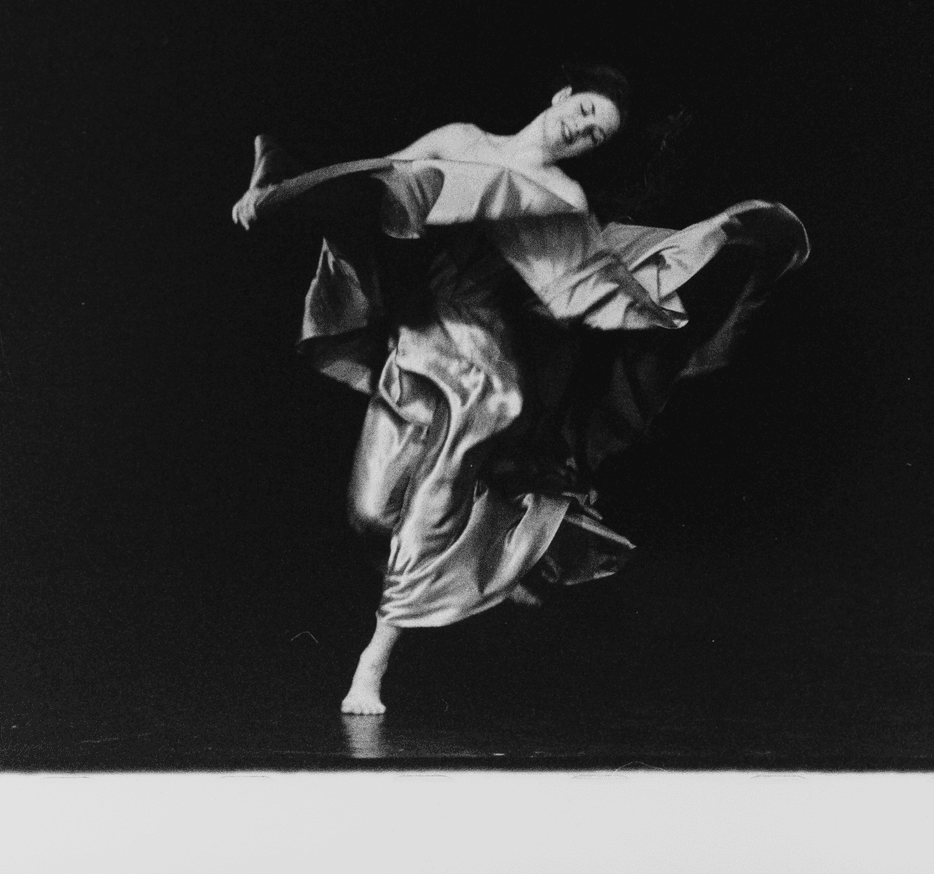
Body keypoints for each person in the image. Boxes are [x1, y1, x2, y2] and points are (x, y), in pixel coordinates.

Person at [232, 66, 809, 712]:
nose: (584, 128)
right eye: (586, 110)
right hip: (418, 340)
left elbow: (586, 287)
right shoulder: (462, 139)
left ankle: (373, 663)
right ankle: (496, 556)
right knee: (372, 512)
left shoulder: (562, 197)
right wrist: (285, 194)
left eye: (597, 133)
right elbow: (381, 184)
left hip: (486, 366)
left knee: (434, 495)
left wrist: (684, 274)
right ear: (562, 96)